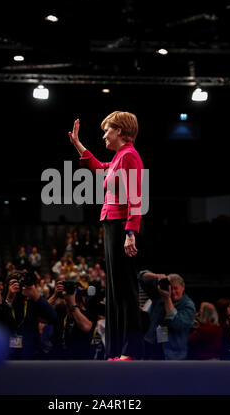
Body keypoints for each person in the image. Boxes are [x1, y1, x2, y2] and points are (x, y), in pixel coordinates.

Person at [69, 111, 145, 360]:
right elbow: (101, 168)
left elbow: (136, 196)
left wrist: (131, 232)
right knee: (115, 290)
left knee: (125, 290)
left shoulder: (130, 156)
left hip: (121, 226)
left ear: (119, 131)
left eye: (107, 130)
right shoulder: (119, 158)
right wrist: (79, 146)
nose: (104, 135)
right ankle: (117, 350)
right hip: (113, 224)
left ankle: (130, 350)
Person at [139, 271, 195, 360]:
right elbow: (141, 277)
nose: (172, 292)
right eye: (170, 288)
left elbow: (176, 323)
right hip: (152, 348)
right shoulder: (158, 296)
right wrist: (156, 276)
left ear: (183, 287)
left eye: (175, 288)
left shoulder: (188, 305)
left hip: (173, 354)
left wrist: (167, 299)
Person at [3, 270, 57, 359]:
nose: (18, 286)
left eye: (20, 283)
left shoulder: (31, 302)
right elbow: (1, 322)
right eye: (13, 283)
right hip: (6, 353)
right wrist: (9, 300)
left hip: (29, 353)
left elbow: (52, 316)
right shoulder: (2, 302)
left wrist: (35, 294)